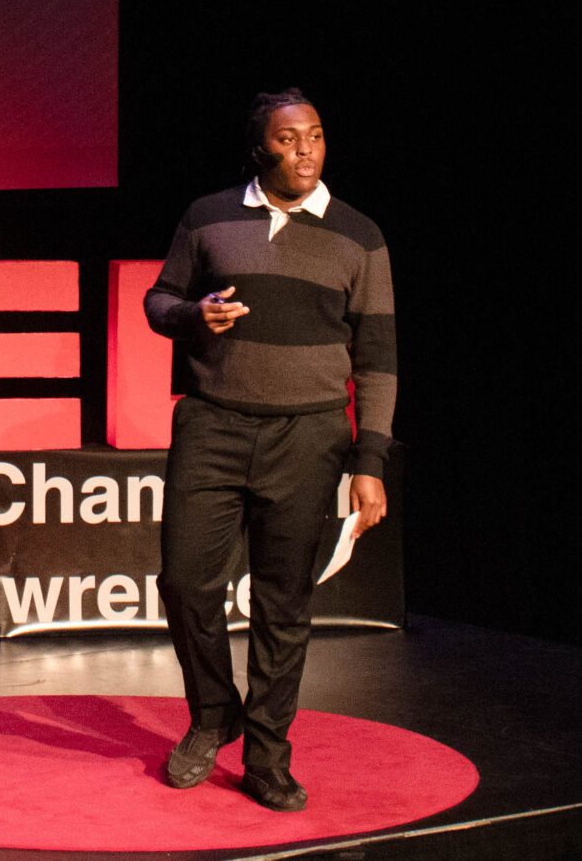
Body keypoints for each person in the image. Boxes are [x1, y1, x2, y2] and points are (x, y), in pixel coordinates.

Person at [144, 88, 395, 812]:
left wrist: (369, 462)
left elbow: (378, 357)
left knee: (283, 604)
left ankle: (266, 756)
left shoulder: (360, 236)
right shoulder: (209, 216)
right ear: (261, 150)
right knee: (185, 582)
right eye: (288, 140)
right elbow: (160, 300)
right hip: (213, 426)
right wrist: (195, 315)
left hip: (309, 436)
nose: (306, 150)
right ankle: (212, 714)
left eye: (316, 135)